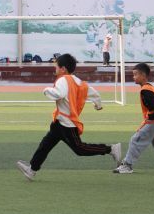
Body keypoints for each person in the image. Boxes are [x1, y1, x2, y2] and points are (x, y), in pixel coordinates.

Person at [16, 53, 121, 181]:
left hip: (67, 123)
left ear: (63, 68)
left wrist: (46, 90)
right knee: (45, 145)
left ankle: (111, 149)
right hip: (59, 122)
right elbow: (94, 93)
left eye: (56, 66)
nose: (55, 69)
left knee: (80, 149)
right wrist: (97, 105)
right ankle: (32, 170)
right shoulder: (78, 81)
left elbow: (59, 94)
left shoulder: (63, 80)